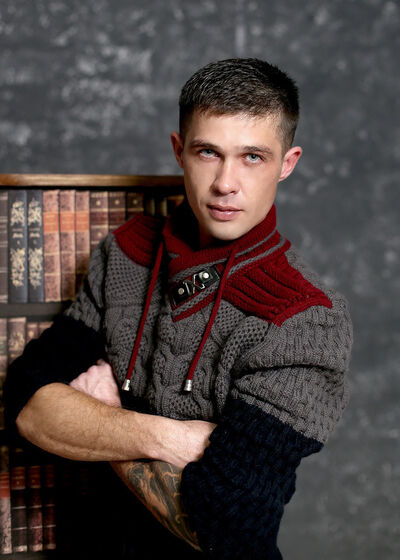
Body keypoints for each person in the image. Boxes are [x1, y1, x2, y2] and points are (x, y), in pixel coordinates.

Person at [4, 58, 353, 559]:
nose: (226, 182)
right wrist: (168, 438)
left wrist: (103, 416)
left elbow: (225, 524)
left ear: (287, 163)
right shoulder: (124, 255)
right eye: (208, 152)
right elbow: (26, 403)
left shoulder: (304, 317)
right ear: (179, 151)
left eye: (253, 157)